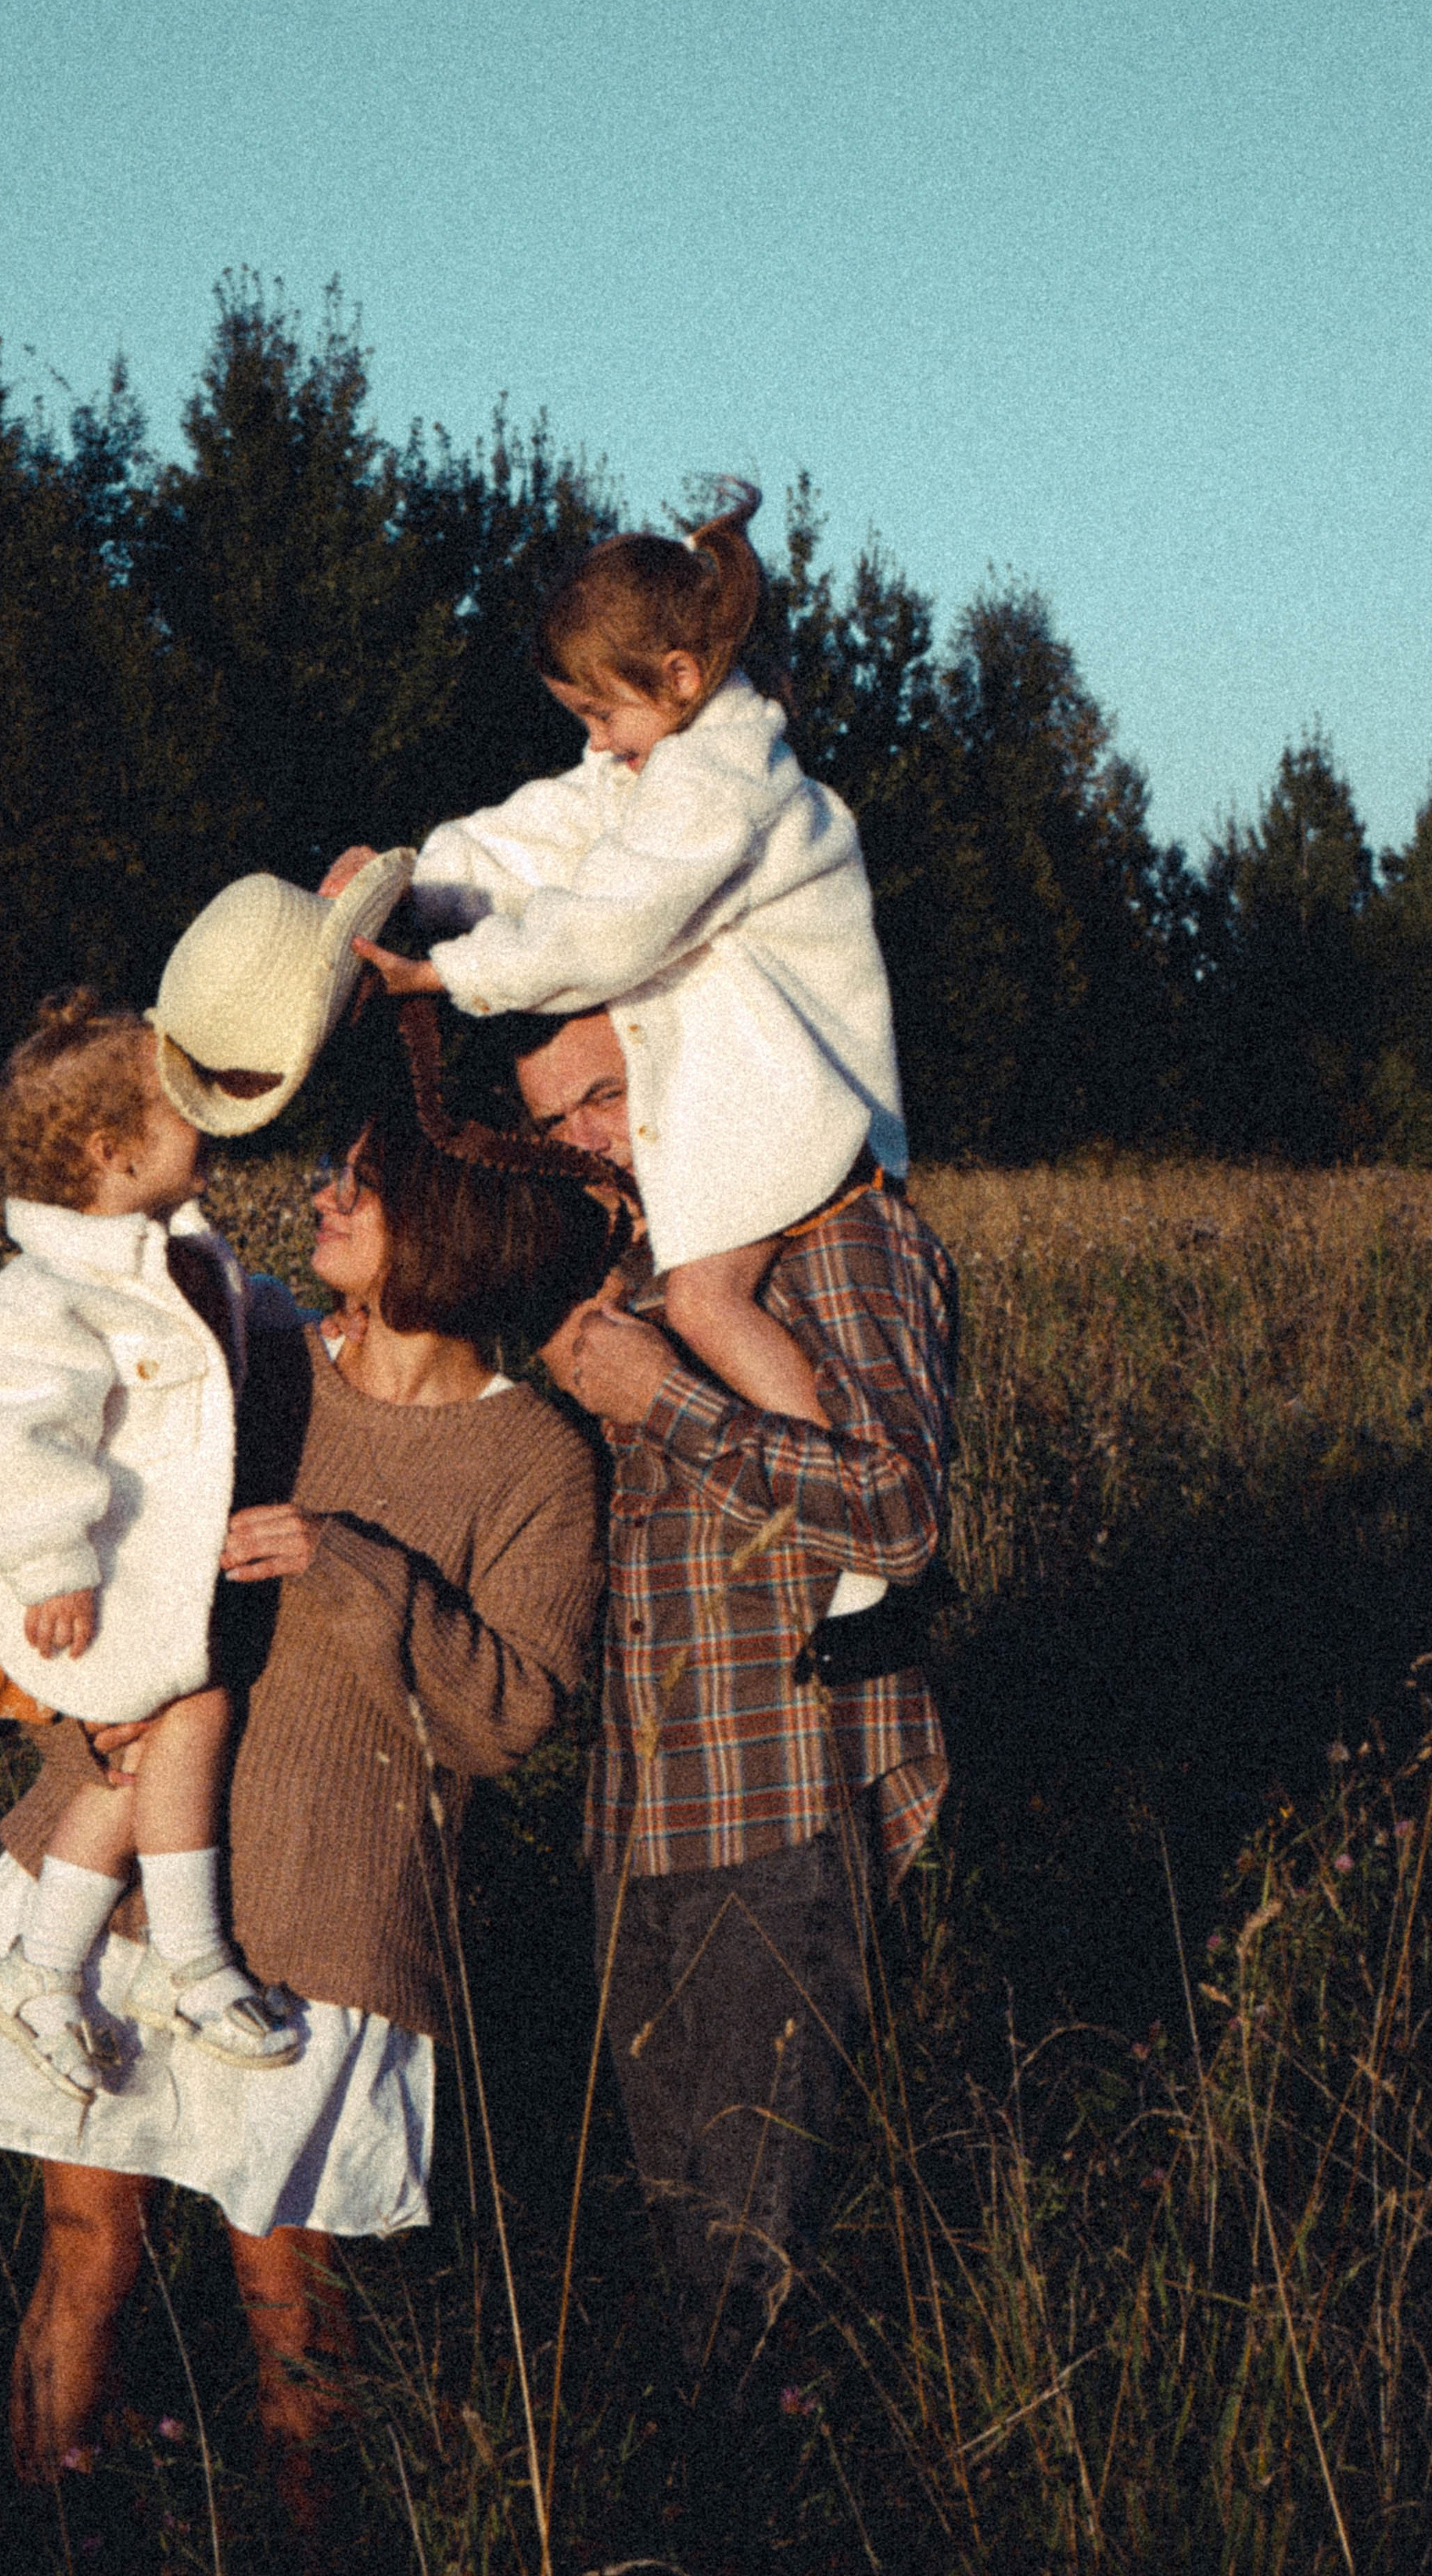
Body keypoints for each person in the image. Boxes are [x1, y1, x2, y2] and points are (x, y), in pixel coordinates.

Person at [0, 1012, 612, 2545]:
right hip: (112, 1901)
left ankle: (301, 2546)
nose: (321, 1198)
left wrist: (354, 1568)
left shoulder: (537, 1460)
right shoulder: (249, 1364)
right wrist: (70, 1727)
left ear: (451, 1226)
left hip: (325, 1933)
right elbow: (58, 1529)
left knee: (293, 2310)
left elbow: (510, 1719)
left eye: (361, 1183)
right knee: (86, 2255)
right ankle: (44, 2541)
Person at [510, 1006, 956, 2398]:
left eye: (602, 1095)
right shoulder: (636, 1264)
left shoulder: (836, 1238)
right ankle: (712, 2465)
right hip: (638, 1817)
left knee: (763, 2260)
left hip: (777, 1804)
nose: (585, 1142)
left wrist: (664, 1397)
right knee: (681, 2236)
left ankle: (770, 2477)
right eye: (551, 1122)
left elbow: (900, 1514)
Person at [340, 483, 907, 1448]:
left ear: (680, 676)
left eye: (602, 714)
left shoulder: (721, 787)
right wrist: (407, 881)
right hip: (745, 1098)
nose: (596, 743)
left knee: (703, 1304)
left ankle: (832, 1471)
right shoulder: (661, 766)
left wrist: (445, 977)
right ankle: (807, 1465)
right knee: (664, 1296)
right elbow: (541, 836)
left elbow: (607, 928)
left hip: (783, 1100)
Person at [0, 989, 298, 2098]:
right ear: (108, 1149)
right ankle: (190, 1958)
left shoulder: (171, 1256)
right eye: (182, 1106)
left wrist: (295, 1329)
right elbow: (10, 1436)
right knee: (186, 1716)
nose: (209, 1119)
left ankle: (42, 1969)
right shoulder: (42, 1294)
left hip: (116, 1585)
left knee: (145, 1752)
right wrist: (51, 1564)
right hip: (35, 1590)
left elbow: (229, 1334)